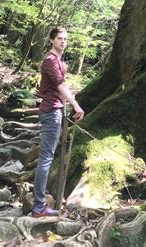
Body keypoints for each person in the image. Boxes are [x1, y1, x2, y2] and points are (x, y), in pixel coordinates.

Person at [32, 26, 84, 218]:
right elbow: (60, 85)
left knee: (48, 156)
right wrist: (76, 106)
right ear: (52, 40)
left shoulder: (60, 62)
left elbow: (61, 86)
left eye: (66, 39)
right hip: (51, 112)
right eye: (60, 38)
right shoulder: (50, 61)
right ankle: (38, 206)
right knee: (46, 157)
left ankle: (40, 204)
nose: (63, 41)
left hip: (56, 111)